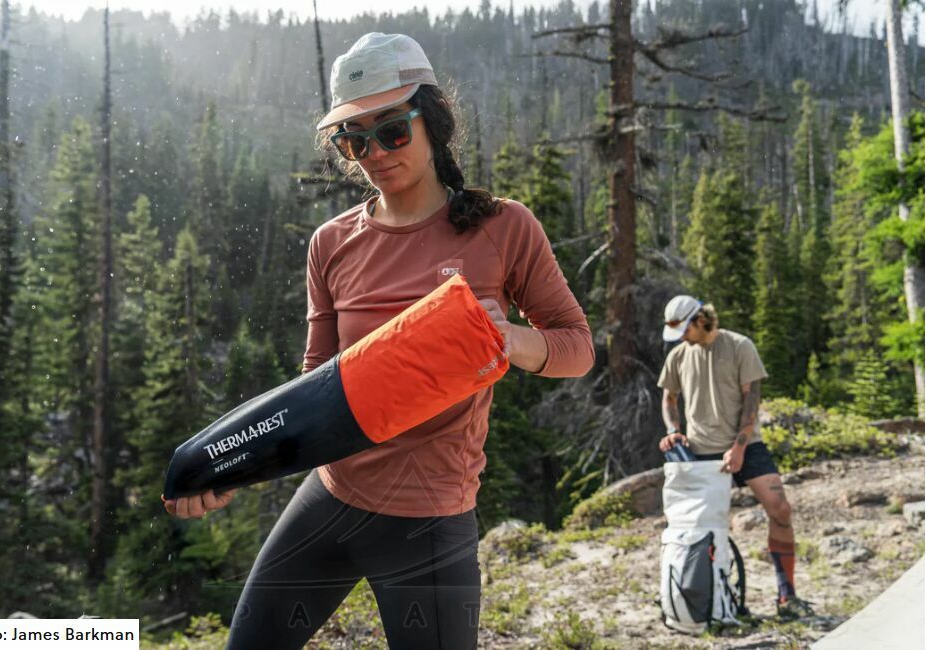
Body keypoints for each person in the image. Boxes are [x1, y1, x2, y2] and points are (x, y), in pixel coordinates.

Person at [163, 33, 594, 649]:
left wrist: (512, 341)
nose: (375, 153)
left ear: (432, 120)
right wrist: (237, 464)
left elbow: (577, 347)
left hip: (428, 522)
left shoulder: (501, 227)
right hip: (330, 496)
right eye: (354, 140)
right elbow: (316, 383)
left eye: (392, 130)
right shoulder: (332, 243)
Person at [656, 295, 815, 621]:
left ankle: (787, 596)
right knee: (699, 528)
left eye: (685, 330)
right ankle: (704, 598)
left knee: (780, 509)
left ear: (701, 319)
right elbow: (669, 399)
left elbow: (751, 400)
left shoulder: (740, 346)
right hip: (700, 451)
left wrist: (740, 446)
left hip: (747, 444)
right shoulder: (678, 356)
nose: (682, 338)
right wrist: (674, 430)